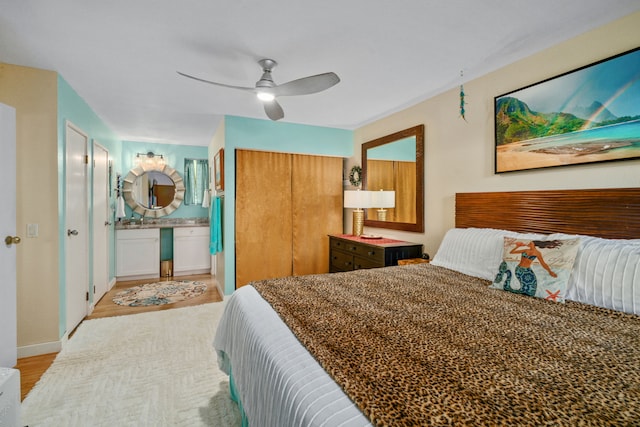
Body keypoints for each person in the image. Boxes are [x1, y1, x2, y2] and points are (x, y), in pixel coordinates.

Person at [495, 240, 559, 296]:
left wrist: (550, 271)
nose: (528, 244)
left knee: (532, 283)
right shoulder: (525, 250)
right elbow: (512, 252)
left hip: (527, 270)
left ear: (533, 244)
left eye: (530, 243)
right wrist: (517, 246)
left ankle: (526, 294)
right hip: (520, 270)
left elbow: (543, 264)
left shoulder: (537, 253)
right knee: (526, 282)